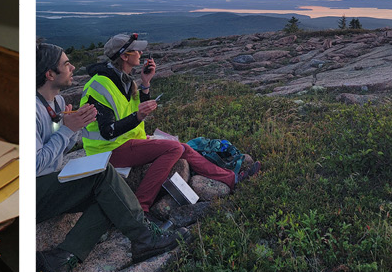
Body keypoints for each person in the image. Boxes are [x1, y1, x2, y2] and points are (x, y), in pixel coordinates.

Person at [36, 42, 181, 272]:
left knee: (107, 195)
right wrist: (68, 130)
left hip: (49, 184)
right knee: (102, 173)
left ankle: (62, 258)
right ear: (50, 74)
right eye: (66, 63)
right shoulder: (30, 110)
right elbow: (35, 164)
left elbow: (57, 144)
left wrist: (72, 128)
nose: (72, 67)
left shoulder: (57, 102)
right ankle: (144, 237)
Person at [80, 33, 261, 213]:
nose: (141, 54)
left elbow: (135, 107)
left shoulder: (123, 79)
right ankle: (141, 207)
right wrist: (138, 117)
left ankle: (232, 179)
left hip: (126, 142)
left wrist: (145, 83)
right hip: (107, 151)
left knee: (182, 147)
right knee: (174, 149)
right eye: (137, 51)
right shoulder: (101, 85)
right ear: (124, 56)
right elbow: (108, 131)